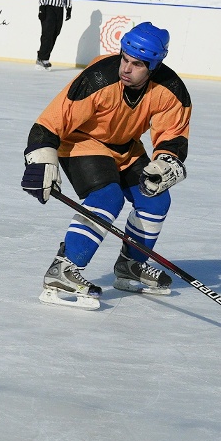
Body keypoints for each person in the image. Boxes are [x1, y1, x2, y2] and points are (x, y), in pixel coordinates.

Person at [21, 22, 190, 310]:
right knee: (107, 197)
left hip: (126, 148)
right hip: (82, 142)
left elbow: (172, 137)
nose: (126, 68)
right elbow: (51, 121)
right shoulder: (98, 78)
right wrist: (39, 158)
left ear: (154, 66)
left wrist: (165, 163)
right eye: (124, 58)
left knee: (157, 199)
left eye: (137, 64)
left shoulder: (170, 90)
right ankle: (63, 270)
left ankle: (131, 265)